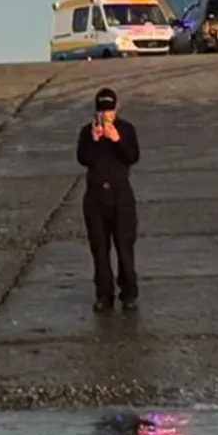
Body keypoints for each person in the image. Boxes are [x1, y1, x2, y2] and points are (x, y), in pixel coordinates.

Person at [76, 86, 141, 312]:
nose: (106, 116)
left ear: (116, 109)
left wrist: (117, 140)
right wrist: (94, 140)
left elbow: (132, 156)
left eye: (110, 111)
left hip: (121, 196)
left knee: (124, 247)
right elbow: (83, 159)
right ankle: (104, 294)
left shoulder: (126, 129)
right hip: (95, 198)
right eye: (102, 111)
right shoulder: (87, 132)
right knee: (100, 249)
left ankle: (129, 292)